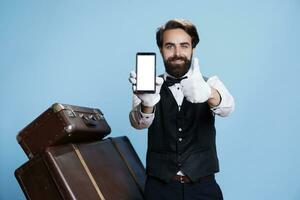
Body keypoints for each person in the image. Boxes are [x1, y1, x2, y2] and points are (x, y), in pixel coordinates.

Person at [129, 19, 235, 200]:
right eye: (170, 46)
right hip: (159, 189)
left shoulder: (210, 83)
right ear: (161, 49)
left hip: (203, 187)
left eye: (184, 46)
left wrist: (209, 93)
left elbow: (228, 108)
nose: (177, 53)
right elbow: (138, 124)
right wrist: (147, 103)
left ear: (193, 48)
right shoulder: (148, 86)